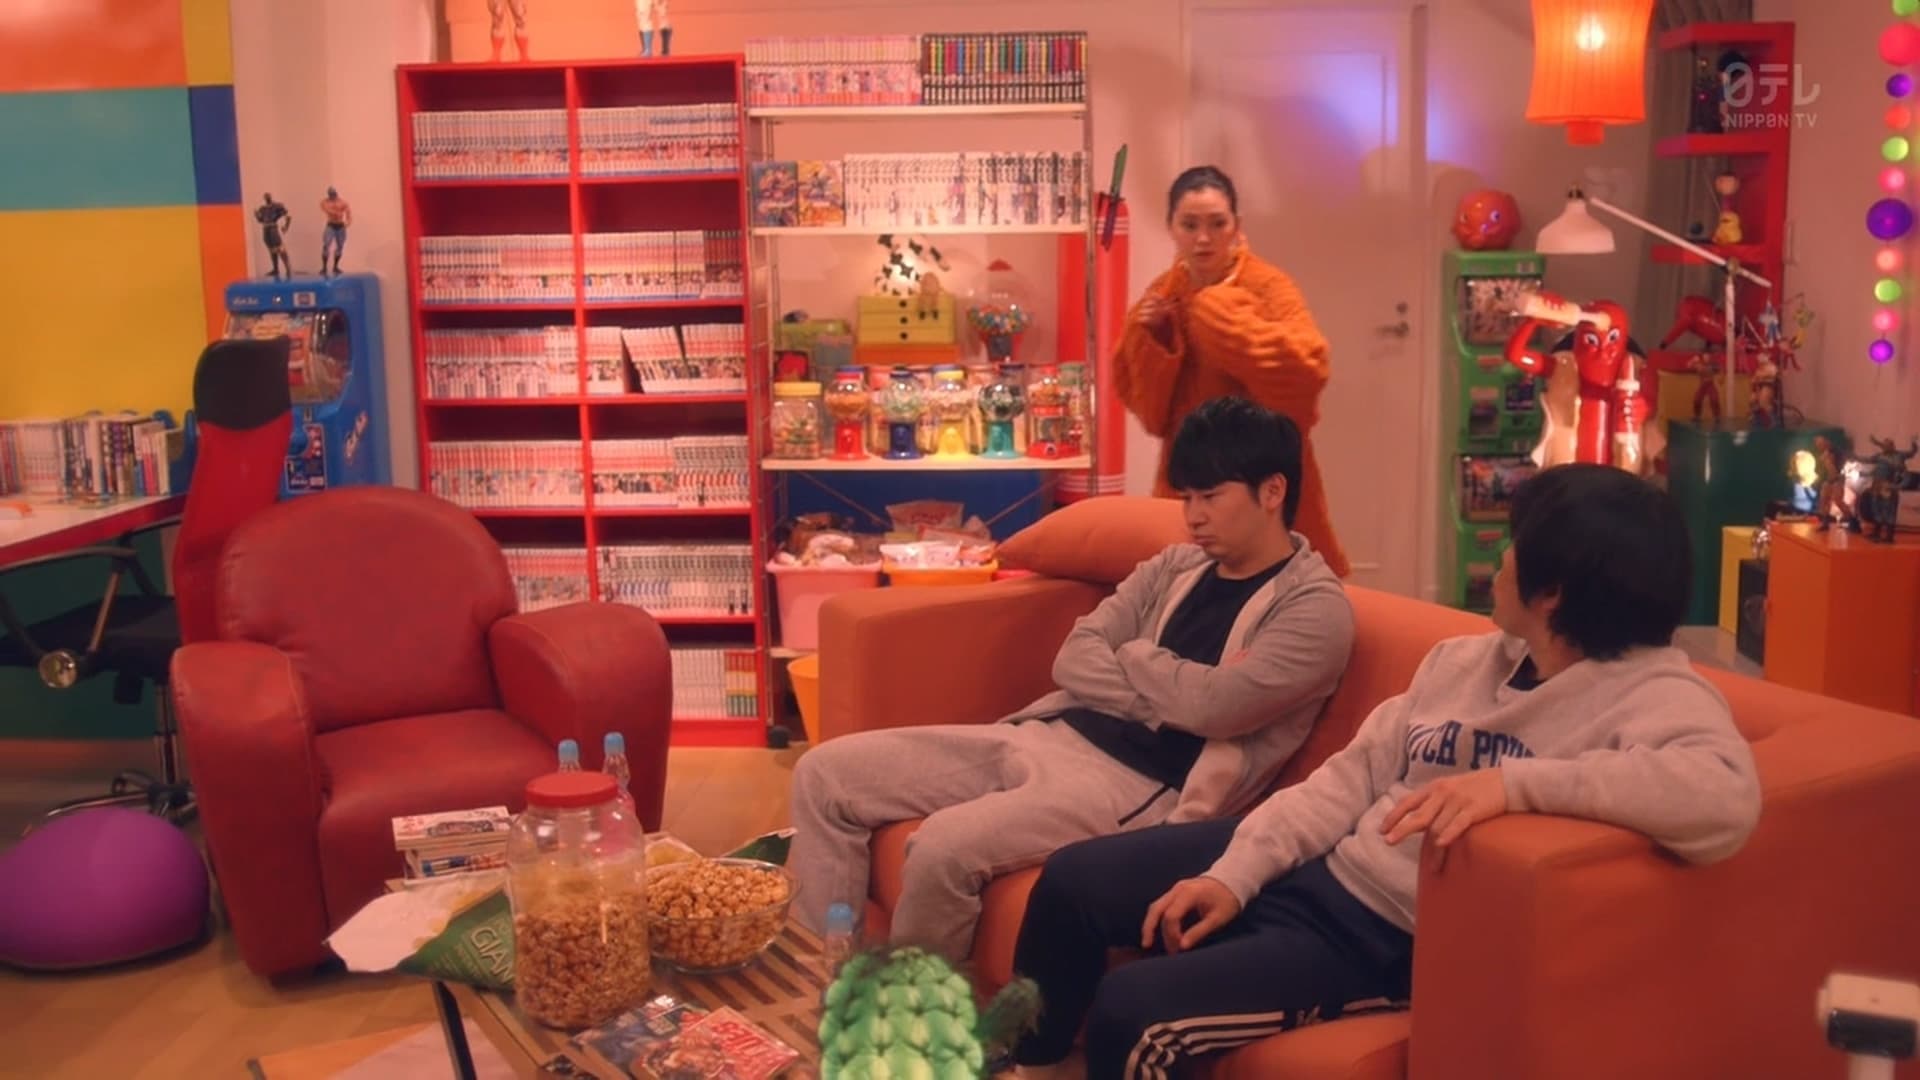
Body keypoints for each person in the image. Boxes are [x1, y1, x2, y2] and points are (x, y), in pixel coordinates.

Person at [1007, 463, 1763, 1080]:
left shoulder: (1653, 692)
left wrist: (1516, 785)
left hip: (1385, 940)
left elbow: (1724, 798)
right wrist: (1236, 875)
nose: (1499, 563)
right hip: (1326, 865)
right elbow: (1346, 780)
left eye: (1512, 547)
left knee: (1133, 1012)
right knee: (1074, 881)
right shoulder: (1465, 660)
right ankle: (1031, 1066)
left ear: (1554, 591)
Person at [788, 397, 1356, 961]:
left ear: (1272, 492)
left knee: (941, 846)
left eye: (1210, 497)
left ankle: (915, 1013)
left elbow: (1217, 710)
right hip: (1051, 728)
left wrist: (1134, 654)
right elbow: (1074, 658)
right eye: (1186, 498)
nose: (1193, 517)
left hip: (1135, 783)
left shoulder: (1313, 608)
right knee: (825, 775)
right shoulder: (1175, 566)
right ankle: (820, 978)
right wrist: (1169, 692)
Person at [1116, 166, 1349, 577]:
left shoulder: (1268, 286)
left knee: (1283, 589)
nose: (1203, 238)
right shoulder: (1163, 294)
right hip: (1191, 479)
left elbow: (1309, 369)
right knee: (1188, 588)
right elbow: (1151, 415)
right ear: (1171, 227)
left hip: (1263, 474)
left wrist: (1219, 320)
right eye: (1190, 225)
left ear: (1236, 226)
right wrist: (1154, 341)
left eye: (1217, 224)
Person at [253, 194, 291, 280]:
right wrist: (256, 215)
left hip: (273, 228)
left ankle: (288, 268)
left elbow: (288, 216)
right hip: (266, 229)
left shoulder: (277, 206)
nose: (267, 198)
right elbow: (260, 220)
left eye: (268, 196)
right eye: (265, 197)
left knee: (280, 248)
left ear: (271, 197)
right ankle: (275, 269)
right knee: (271, 249)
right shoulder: (262, 208)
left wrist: (286, 226)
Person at [319, 187, 351, 277]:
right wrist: (336, 212)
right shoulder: (325, 202)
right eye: (331, 194)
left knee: (340, 246)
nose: (332, 196)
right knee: (326, 244)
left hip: (340, 226)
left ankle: (335, 267)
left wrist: (348, 222)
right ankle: (324, 267)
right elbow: (327, 210)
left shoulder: (342, 202)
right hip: (331, 225)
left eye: (333, 194)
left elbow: (348, 213)